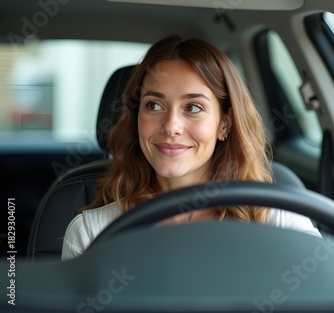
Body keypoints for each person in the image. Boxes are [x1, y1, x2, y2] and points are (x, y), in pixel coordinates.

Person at [61, 35, 320, 261]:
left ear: (225, 123)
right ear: (135, 116)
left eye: (193, 107)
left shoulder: (280, 221)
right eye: (153, 105)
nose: (171, 126)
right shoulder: (91, 233)